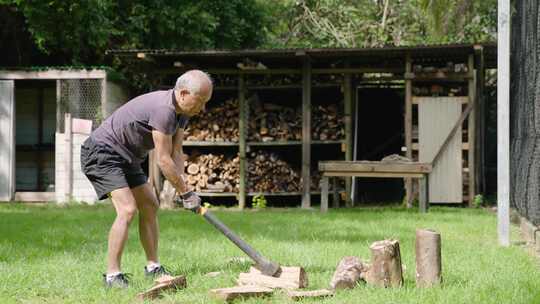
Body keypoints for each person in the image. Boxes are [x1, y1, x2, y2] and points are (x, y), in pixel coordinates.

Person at [80, 70, 212, 288]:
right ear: (184, 94)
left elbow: (176, 152)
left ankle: (153, 267)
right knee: (127, 209)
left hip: (127, 157)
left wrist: (181, 188)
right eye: (201, 101)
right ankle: (113, 276)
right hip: (103, 152)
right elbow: (162, 160)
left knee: (150, 204)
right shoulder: (164, 111)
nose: (203, 108)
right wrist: (187, 192)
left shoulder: (183, 113)